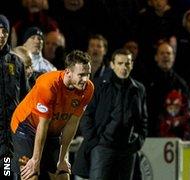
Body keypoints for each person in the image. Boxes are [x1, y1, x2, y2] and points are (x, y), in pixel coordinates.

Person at [10, 50, 94, 180]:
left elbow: (72, 123)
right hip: (25, 128)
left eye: (88, 74)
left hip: (52, 131)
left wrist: (63, 158)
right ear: (68, 72)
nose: (85, 80)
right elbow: (43, 124)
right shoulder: (48, 84)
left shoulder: (88, 88)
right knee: (31, 174)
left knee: (62, 176)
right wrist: (36, 160)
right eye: (81, 75)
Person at [73, 49, 148, 180]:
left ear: (132, 65)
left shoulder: (138, 89)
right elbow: (86, 115)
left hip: (127, 149)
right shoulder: (98, 85)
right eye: (120, 63)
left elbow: (143, 120)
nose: (124, 67)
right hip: (103, 147)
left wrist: (138, 141)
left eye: (127, 63)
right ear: (112, 65)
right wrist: (95, 140)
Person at [0, 14, 27, 179]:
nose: (1, 35)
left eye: (4, 31)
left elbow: (26, 99)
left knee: (7, 175)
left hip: (9, 142)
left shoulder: (17, 63)